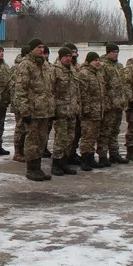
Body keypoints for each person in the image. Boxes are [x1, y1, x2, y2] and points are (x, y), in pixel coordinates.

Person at [14, 39, 55, 182]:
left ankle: (37, 168)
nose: (41, 50)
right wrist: (25, 111)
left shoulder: (45, 65)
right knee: (32, 140)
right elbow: (21, 90)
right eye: (38, 47)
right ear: (31, 49)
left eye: (43, 47)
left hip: (45, 110)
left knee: (42, 140)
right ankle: (31, 169)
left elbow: (49, 89)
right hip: (32, 111)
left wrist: (52, 109)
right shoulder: (26, 65)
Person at [51, 47, 81, 175]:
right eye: (66, 56)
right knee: (60, 139)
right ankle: (56, 164)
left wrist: (78, 107)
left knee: (70, 139)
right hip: (61, 111)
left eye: (70, 56)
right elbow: (50, 91)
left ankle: (64, 163)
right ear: (60, 57)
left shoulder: (73, 70)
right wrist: (53, 110)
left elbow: (76, 91)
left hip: (72, 111)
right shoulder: (55, 71)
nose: (69, 58)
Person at [99, 43, 131, 165]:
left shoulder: (119, 66)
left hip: (119, 104)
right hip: (110, 105)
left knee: (114, 131)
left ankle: (114, 153)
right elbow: (102, 87)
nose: (115, 54)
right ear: (108, 52)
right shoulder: (103, 66)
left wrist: (124, 100)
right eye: (113, 52)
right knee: (105, 131)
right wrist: (107, 102)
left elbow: (122, 84)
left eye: (117, 52)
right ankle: (102, 155)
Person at [76, 52, 105, 170]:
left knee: (93, 136)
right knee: (87, 136)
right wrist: (86, 109)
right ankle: (85, 160)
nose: (97, 62)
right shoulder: (84, 74)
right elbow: (83, 93)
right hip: (88, 112)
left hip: (98, 110)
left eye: (98, 60)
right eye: (94, 60)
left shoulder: (98, 74)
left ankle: (91, 157)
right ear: (88, 62)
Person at [10, 45, 31, 162]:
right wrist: (18, 104)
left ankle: (24, 150)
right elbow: (15, 87)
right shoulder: (18, 67)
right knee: (20, 127)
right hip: (19, 103)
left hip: (28, 103)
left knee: (27, 128)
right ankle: (18, 151)